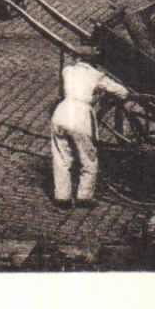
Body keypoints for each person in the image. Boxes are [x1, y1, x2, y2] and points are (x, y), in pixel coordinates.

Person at [50, 48, 130, 208]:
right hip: (80, 116)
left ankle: (62, 197)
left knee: (61, 157)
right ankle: (84, 196)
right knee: (89, 158)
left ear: (78, 58)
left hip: (61, 112)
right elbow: (123, 92)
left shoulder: (68, 71)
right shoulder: (96, 75)